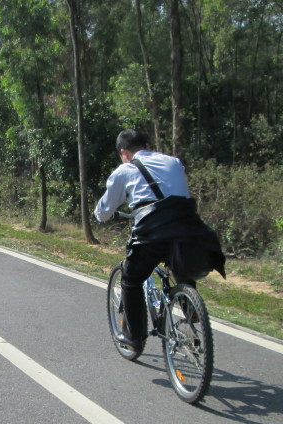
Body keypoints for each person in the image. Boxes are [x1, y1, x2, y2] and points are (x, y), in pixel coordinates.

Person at [93, 129, 223, 350]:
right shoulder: (174, 162)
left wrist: (100, 215)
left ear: (124, 152)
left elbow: (104, 211)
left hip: (152, 234)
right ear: (147, 146)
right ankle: (188, 304)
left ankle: (134, 338)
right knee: (179, 265)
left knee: (131, 279)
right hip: (189, 231)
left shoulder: (125, 170)